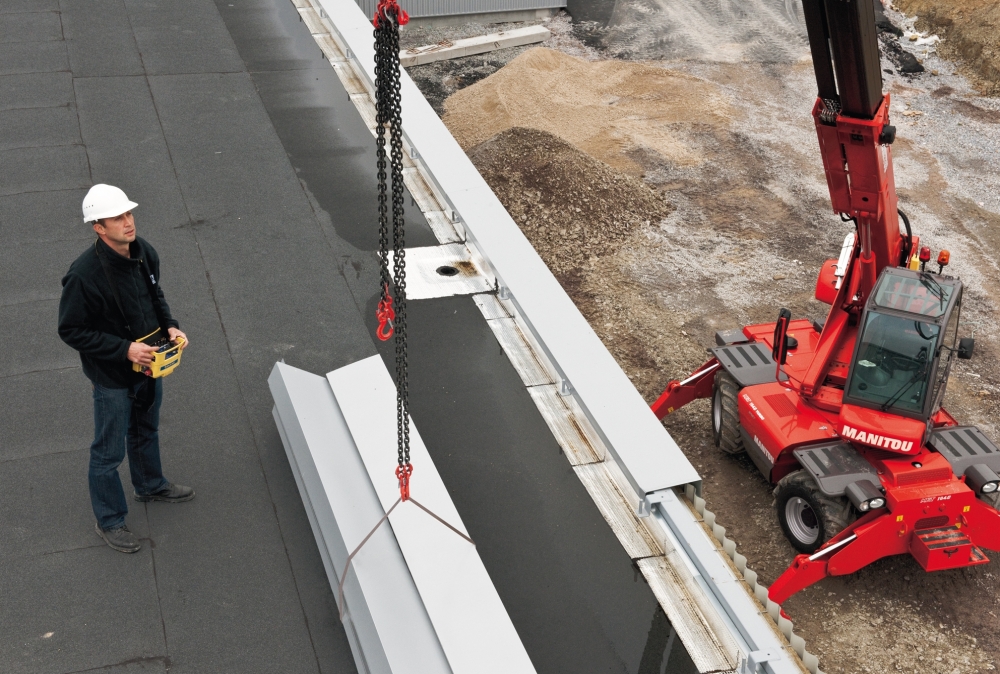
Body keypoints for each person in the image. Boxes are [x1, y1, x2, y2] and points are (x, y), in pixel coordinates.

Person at [58, 184, 194, 554]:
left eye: (129, 214)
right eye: (117, 218)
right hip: (113, 378)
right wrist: (125, 350)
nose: (128, 222)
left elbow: (155, 294)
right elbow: (70, 330)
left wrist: (170, 325)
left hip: (150, 363)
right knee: (107, 451)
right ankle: (110, 521)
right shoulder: (83, 276)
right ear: (98, 227)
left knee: (146, 428)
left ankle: (150, 484)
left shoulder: (143, 252)